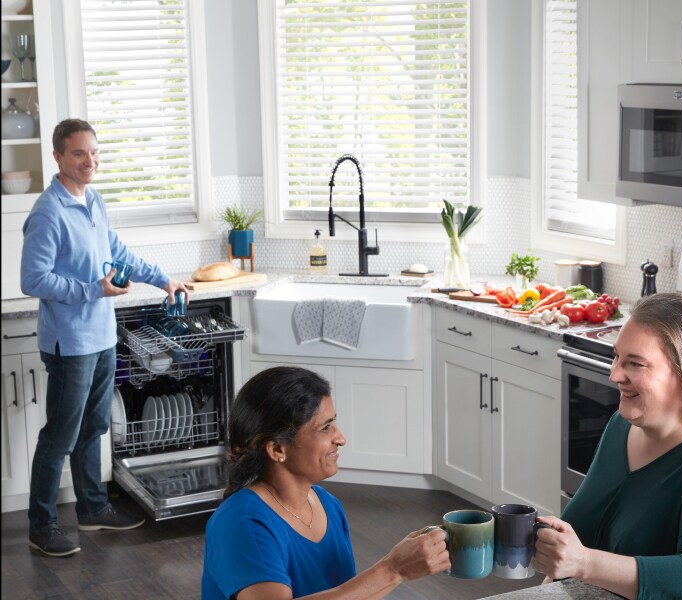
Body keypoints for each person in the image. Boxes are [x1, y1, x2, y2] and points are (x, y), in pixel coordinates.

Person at [21, 118, 189, 558]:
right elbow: (33, 278)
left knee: (94, 427)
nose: (89, 161)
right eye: (79, 153)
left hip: (101, 336)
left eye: (94, 152)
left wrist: (163, 279)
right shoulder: (48, 211)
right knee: (59, 435)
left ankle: (92, 507)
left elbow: (118, 252)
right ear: (58, 156)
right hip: (69, 343)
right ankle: (41, 525)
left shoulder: (93, 199)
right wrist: (92, 290)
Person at [534, 292, 682, 599]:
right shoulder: (623, 426)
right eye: (617, 356)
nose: (615, 374)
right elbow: (583, 532)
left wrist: (582, 563)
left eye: (635, 364)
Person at [202, 366, 450, 599]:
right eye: (325, 428)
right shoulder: (242, 522)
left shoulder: (327, 504)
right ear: (277, 448)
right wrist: (393, 569)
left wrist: (400, 565)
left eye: (334, 423)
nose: (340, 438)